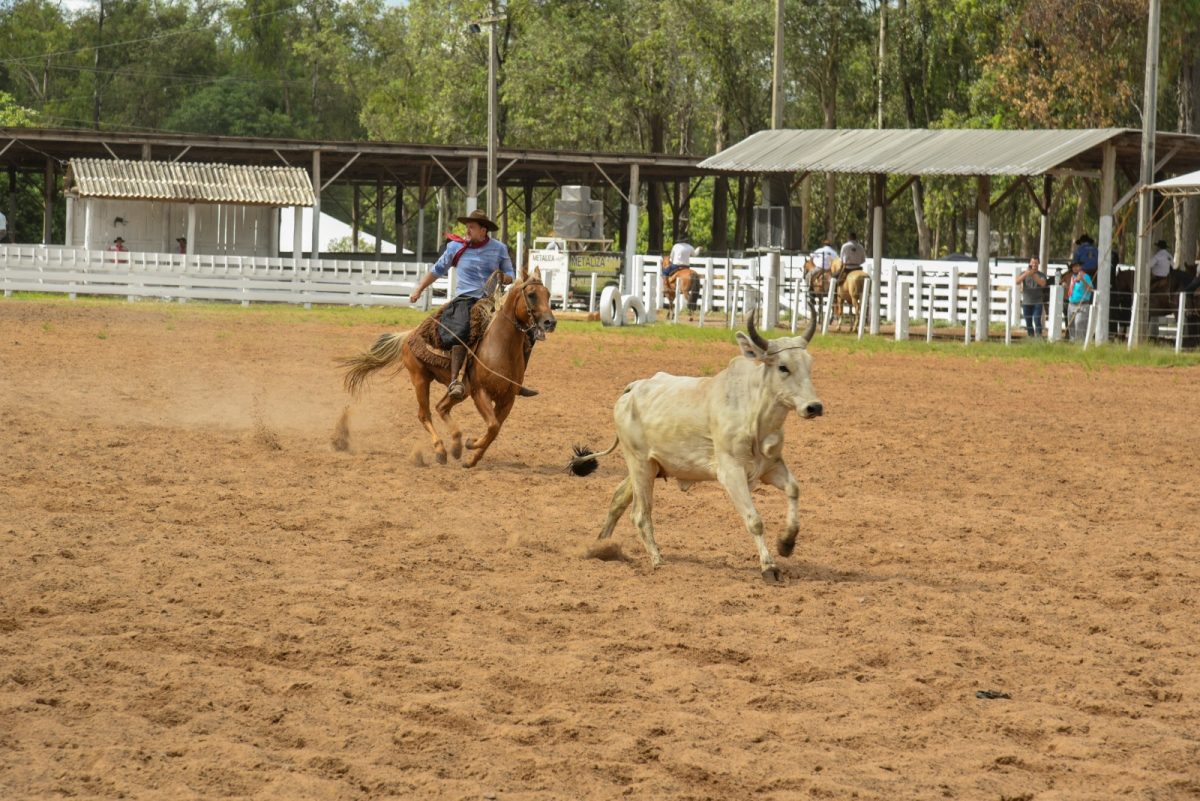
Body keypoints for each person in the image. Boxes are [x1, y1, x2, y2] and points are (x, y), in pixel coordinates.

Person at [408, 209, 520, 401]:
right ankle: (455, 380)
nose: (467, 230)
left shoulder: (499, 248)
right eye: (467, 226)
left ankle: (516, 379)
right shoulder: (455, 247)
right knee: (460, 330)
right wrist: (419, 289)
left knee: (522, 330)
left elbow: (512, 275)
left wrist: (504, 277)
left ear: (483, 230)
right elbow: (437, 270)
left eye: (471, 227)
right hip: (465, 299)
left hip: (492, 300)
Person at [1015, 256, 1048, 338]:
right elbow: (1017, 281)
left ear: (1038, 264)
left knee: (1037, 321)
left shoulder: (1041, 275)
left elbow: (1043, 284)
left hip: (1038, 302)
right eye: (1033, 262)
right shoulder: (1024, 273)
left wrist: (1033, 275)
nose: (1034, 264)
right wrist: (1027, 273)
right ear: (1029, 263)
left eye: (1036, 263)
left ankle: (1039, 339)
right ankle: (1031, 338)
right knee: (1028, 322)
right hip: (1026, 302)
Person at [661, 239, 698, 306]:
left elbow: (671, 257)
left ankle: (666, 288)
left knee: (664, 272)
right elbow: (695, 254)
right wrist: (698, 249)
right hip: (686, 267)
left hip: (676, 266)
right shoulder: (690, 247)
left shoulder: (676, 246)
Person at [1066, 260, 1095, 341]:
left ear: (1080, 267)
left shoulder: (1086, 276)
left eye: (1077, 266)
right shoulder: (1072, 277)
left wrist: (1082, 280)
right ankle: (1073, 342)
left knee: (1079, 323)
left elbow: (1091, 289)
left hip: (1082, 305)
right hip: (1071, 304)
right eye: (1073, 266)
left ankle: (1080, 343)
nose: (1075, 268)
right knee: (1071, 325)